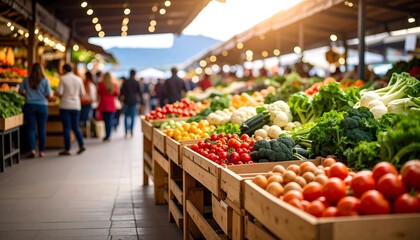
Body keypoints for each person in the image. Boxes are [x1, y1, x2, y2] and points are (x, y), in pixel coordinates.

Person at [18, 63, 52, 158]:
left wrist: (27, 96)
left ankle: (32, 149)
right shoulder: (45, 80)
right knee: (42, 129)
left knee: (31, 129)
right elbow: (49, 95)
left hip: (30, 106)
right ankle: (42, 151)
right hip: (42, 106)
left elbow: (20, 91)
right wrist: (42, 96)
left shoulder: (26, 79)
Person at [56, 64, 86, 156]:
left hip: (65, 105)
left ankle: (67, 148)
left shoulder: (63, 79)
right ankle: (81, 144)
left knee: (67, 128)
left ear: (64, 70)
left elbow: (59, 92)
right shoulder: (79, 79)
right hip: (76, 106)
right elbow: (82, 93)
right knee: (76, 126)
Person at [120, 69, 143, 137]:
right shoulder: (136, 82)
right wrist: (142, 101)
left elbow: (121, 92)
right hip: (134, 100)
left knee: (126, 116)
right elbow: (140, 92)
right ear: (135, 74)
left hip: (126, 100)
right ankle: (132, 130)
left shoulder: (126, 82)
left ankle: (126, 131)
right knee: (133, 116)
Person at [97, 72, 120, 141]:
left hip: (103, 103)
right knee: (110, 120)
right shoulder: (114, 84)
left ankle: (107, 134)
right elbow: (117, 93)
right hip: (111, 104)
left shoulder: (101, 83)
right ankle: (108, 134)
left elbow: (98, 92)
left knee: (105, 120)